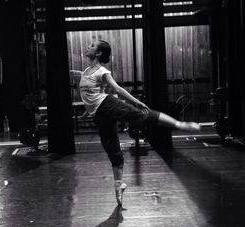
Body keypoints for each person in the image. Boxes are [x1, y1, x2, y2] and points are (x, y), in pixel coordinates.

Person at [70, 40, 201, 207]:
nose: (88, 46)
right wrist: (87, 110)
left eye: (92, 46)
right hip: (100, 114)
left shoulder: (102, 71)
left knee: (141, 115)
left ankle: (179, 125)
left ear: (98, 53)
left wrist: (135, 102)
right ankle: (119, 185)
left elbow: (118, 89)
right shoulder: (87, 71)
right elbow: (90, 94)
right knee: (112, 149)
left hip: (108, 104)